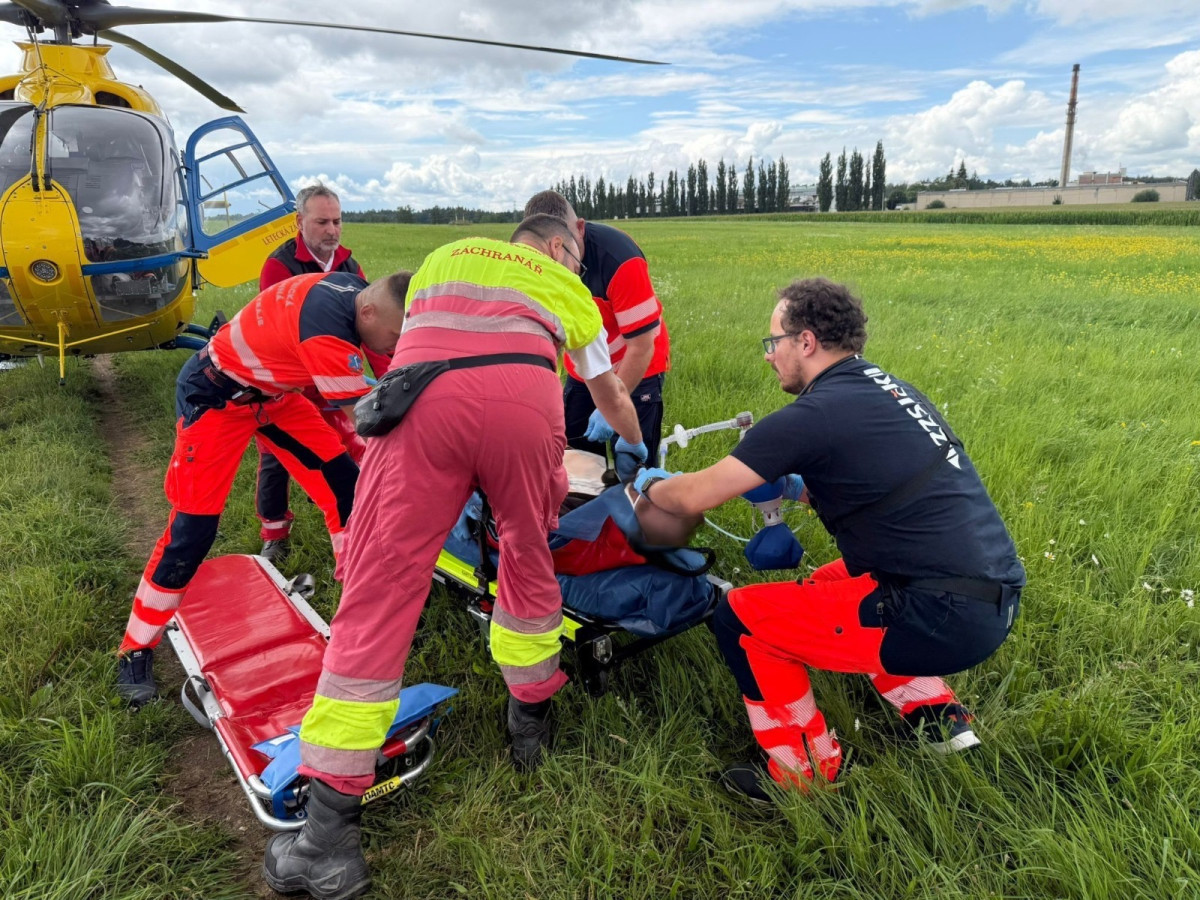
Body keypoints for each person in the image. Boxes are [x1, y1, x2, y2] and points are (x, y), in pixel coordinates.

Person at [261, 215, 646, 900]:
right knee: (529, 564)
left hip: (422, 406)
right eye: (575, 256)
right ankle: (529, 724)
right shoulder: (564, 284)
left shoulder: (442, 256)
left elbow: (406, 347)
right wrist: (635, 447)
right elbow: (609, 391)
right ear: (559, 249)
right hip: (525, 412)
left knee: (379, 595)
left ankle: (327, 839)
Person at [632, 277, 1024, 803]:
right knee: (828, 587)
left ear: (806, 342)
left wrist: (648, 481)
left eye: (774, 343)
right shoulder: (892, 390)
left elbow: (693, 496)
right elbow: (879, 483)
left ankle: (807, 771)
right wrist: (795, 488)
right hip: (992, 595)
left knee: (741, 619)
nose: (770, 357)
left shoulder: (810, 415)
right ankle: (940, 722)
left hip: (938, 613)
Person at [115, 270, 411, 707]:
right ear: (367, 312)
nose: (392, 346)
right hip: (214, 399)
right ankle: (135, 648)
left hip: (274, 396)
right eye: (393, 335)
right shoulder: (326, 333)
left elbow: (390, 376)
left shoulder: (354, 293)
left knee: (346, 490)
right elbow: (368, 424)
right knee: (191, 532)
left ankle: (356, 613)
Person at [254, 183, 384, 565]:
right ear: (300, 221)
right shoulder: (279, 266)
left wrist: (389, 379)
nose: (332, 230)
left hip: (337, 380)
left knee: (354, 452)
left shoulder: (349, 266)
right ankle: (274, 533)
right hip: (289, 385)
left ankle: (360, 523)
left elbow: (369, 329)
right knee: (277, 458)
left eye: (337, 221)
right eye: (323, 221)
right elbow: (282, 334)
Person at [524, 190, 670, 465]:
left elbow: (642, 345)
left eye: (564, 250)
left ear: (579, 228)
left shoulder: (620, 259)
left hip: (637, 362)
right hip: (585, 369)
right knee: (577, 457)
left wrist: (613, 404)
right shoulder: (531, 261)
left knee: (634, 466)